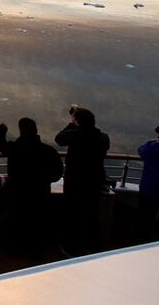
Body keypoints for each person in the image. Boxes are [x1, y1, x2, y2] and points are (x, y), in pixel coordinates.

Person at [0, 118, 63, 255]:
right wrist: (44, 180)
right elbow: (57, 174)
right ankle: (35, 251)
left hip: (16, 194)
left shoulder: (14, 148)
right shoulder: (48, 151)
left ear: (21, 131)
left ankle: (14, 249)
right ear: (36, 131)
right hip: (39, 194)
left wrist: (2, 129)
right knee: (36, 222)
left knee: (16, 221)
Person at [55, 106, 110, 255]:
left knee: (73, 213)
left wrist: (72, 124)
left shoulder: (74, 134)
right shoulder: (103, 137)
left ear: (78, 121)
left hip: (75, 180)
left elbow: (59, 139)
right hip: (95, 180)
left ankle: (71, 246)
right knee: (91, 214)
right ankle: (92, 246)